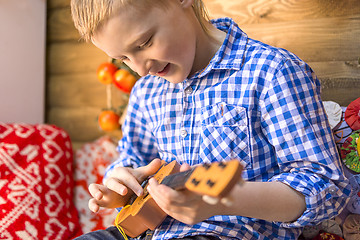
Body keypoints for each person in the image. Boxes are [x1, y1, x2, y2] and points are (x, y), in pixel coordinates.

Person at [70, 0, 354, 239]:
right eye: (122, 59)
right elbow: (132, 159)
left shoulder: (271, 72)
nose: (141, 69)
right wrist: (118, 184)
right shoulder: (146, 91)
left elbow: (326, 189)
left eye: (145, 43)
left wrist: (226, 201)